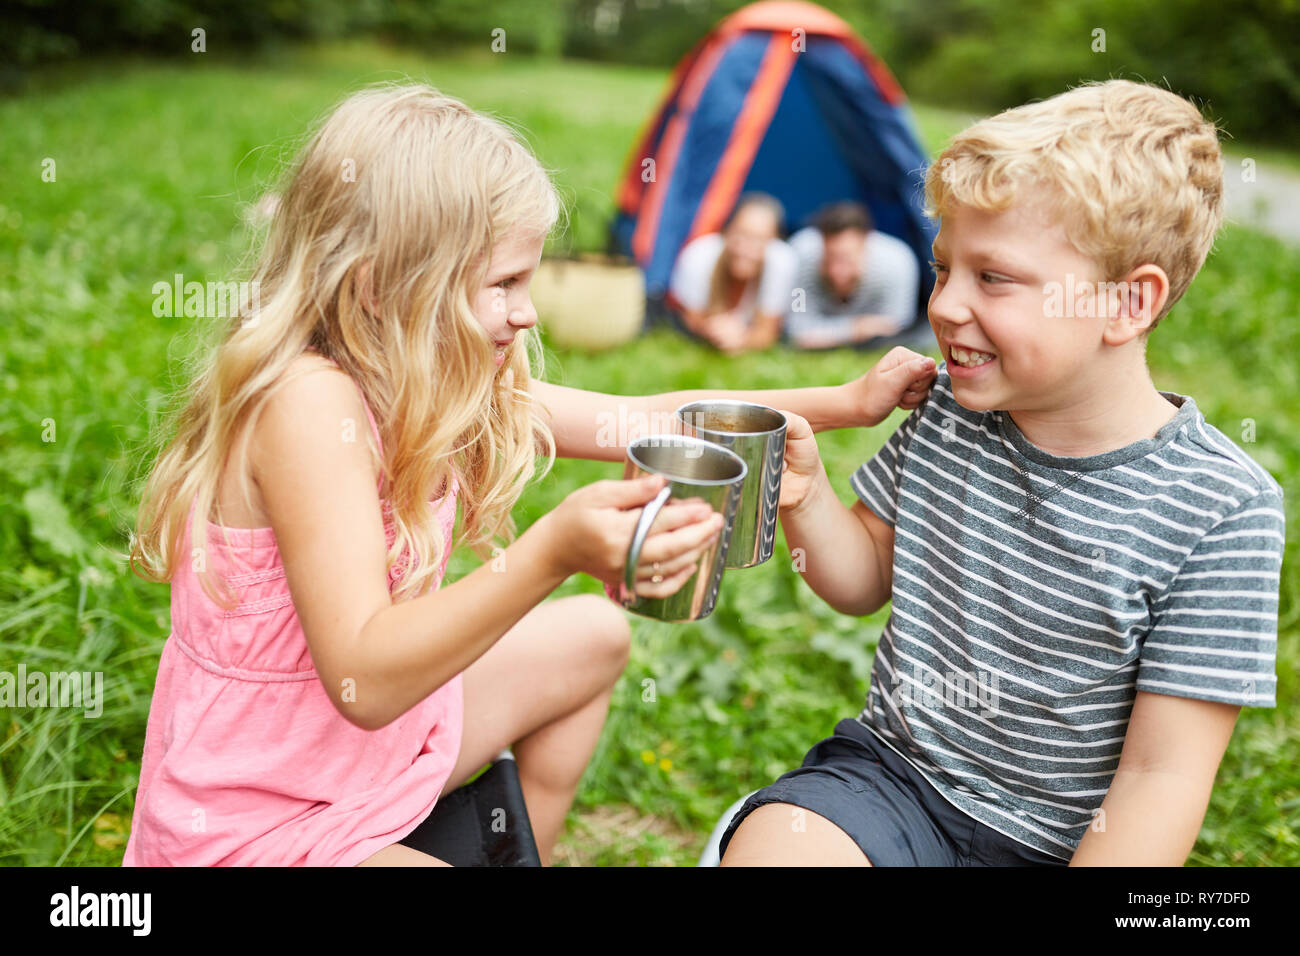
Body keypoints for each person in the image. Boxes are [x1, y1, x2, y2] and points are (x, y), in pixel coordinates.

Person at [123, 83, 939, 867]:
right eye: (504, 284)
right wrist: (553, 552)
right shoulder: (308, 405)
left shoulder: (442, 375)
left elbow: (652, 414)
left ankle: (513, 850)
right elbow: (362, 679)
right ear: (381, 288)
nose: (529, 311)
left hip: (371, 753)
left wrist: (844, 399)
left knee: (591, 637)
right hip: (265, 814)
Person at [718, 79, 1285, 866]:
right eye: (944, 267)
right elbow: (861, 580)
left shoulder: (1222, 508)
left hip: (1059, 845)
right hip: (895, 782)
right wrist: (806, 494)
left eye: (995, 278)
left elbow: (1163, 776)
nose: (945, 305)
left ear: (1127, 303)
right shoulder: (951, 407)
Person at [667, 193, 797, 354]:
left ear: (773, 240)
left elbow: (768, 331)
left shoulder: (782, 262)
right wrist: (717, 331)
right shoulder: (698, 256)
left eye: (759, 239)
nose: (746, 249)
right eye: (741, 234)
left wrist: (741, 339)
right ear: (726, 231)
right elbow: (692, 321)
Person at [784, 201, 921, 351]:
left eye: (846, 259)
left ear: (866, 244)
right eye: (829, 258)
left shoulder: (898, 262)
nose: (836, 271)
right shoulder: (800, 256)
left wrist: (824, 335)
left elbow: (897, 329)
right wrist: (857, 328)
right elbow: (796, 331)